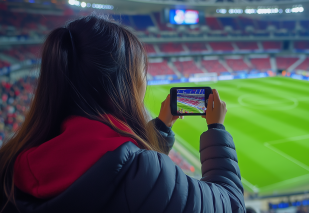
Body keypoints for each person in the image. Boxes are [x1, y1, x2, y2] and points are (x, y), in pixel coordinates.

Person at [0, 15, 245, 213]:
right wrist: (216, 131)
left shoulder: (9, 165)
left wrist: (160, 127)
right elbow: (231, 204)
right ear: (122, 86)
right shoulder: (143, 173)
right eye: (141, 74)